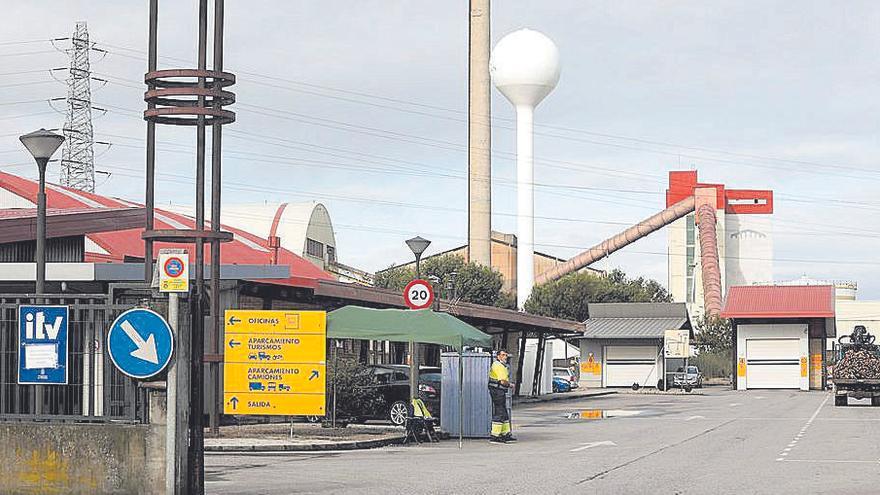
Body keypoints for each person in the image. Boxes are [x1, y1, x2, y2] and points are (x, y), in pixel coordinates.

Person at [488, 349, 515, 443]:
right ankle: (495, 436)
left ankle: (506, 433)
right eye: (503, 355)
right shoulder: (498, 366)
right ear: (498, 356)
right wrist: (510, 385)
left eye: (506, 355)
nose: (505, 357)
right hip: (497, 391)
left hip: (498, 390)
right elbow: (502, 381)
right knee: (500, 411)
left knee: (503, 411)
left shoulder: (500, 365)